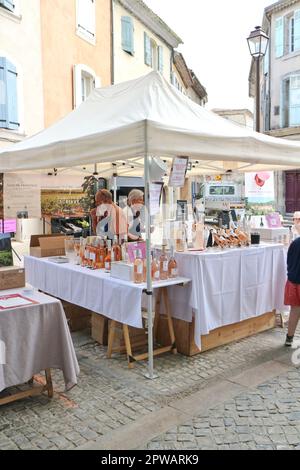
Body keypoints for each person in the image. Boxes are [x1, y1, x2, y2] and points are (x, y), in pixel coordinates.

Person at [284, 236, 300, 346]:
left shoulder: (295, 243)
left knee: (294, 310)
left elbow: (288, 262)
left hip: (293, 281)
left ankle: (289, 338)